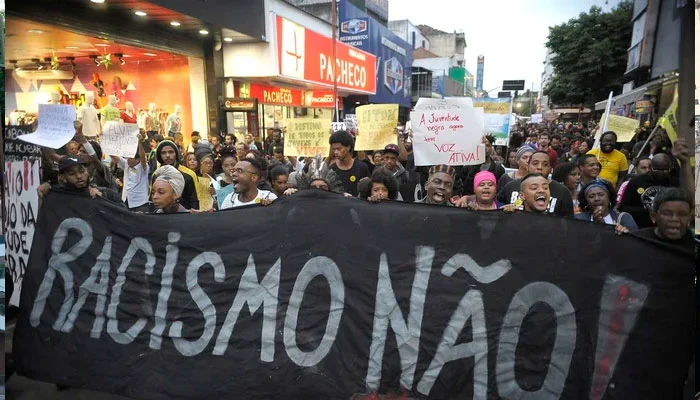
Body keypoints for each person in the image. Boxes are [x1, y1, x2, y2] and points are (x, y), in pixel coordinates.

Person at [497, 151, 574, 217]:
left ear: (550, 169)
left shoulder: (562, 191)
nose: (539, 167)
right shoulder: (510, 186)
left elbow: (568, 223)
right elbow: (496, 209)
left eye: (545, 164)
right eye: (535, 163)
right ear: (528, 166)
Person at [617, 152, 680, 229]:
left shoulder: (675, 182)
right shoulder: (637, 181)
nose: (661, 172)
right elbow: (623, 208)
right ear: (651, 167)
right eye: (657, 169)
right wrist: (648, 211)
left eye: (664, 170)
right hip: (641, 228)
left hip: (668, 227)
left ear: (670, 168)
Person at [37, 156, 124, 208]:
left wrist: (103, 202)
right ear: (62, 177)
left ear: (87, 171)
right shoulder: (55, 198)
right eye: (71, 173)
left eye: (81, 171)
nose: (78, 176)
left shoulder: (107, 194)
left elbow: (125, 217)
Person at [632, 187, 693, 256]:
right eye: (667, 213)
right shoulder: (635, 242)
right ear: (654, 216)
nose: (674, 219)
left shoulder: (694, 243)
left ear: (689, 218)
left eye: (682, 214)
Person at [110, 132, 150, 212]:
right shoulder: (126, 164)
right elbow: (114, 157)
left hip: (140, 203)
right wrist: (108, 143)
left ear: (137, 160)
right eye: (127, 158)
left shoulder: (143, 167)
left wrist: (139, 143)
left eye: (130, 158)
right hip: (126, 201)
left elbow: (143, 158)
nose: (128, 160)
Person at [154, 140, 199, 210]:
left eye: (171, 152)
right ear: (159, 156)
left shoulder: (189, 174)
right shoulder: (156, 174)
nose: (167, 155)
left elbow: (195, 200)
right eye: (163, 153)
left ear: (176, 154)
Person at [329, 130, 370, 196]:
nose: (336, 152)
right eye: (334, 149)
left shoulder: (362, 167)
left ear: (348, 147)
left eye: (339, 149)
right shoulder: (331, 170)